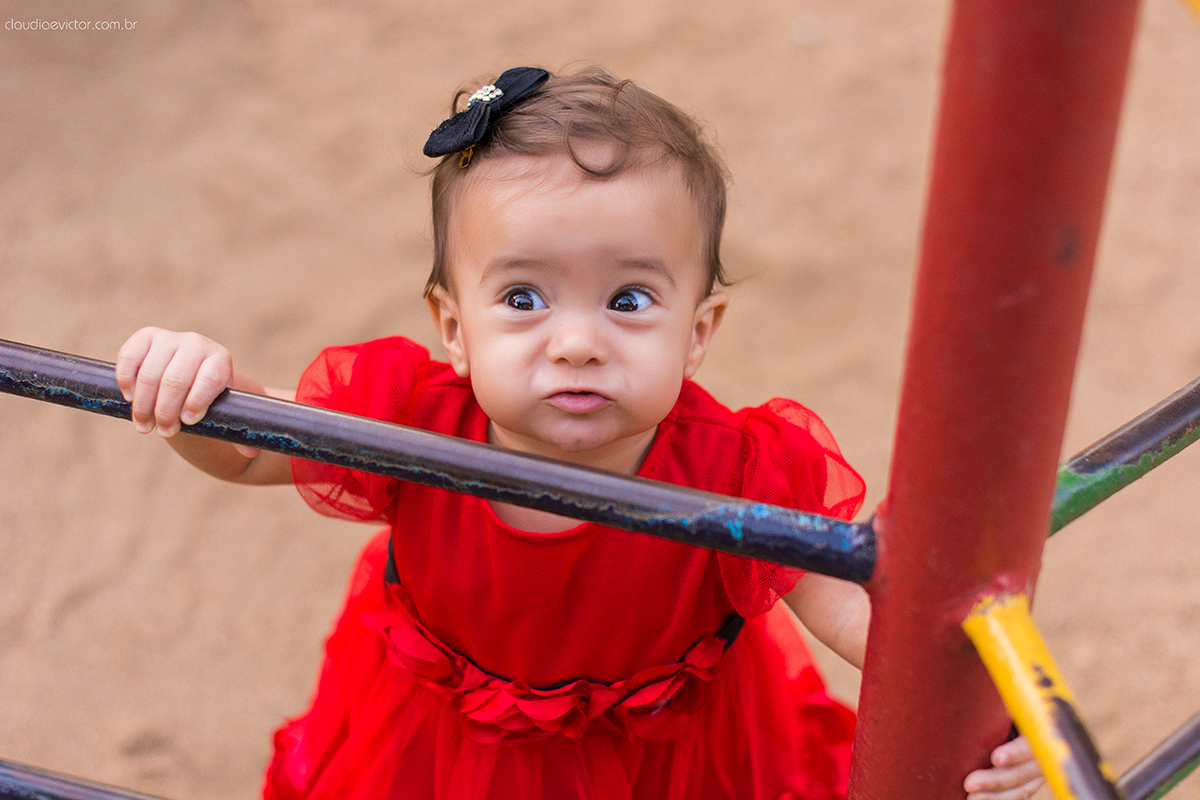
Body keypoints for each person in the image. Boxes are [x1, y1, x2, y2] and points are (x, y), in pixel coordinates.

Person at [114, 66, 1044, 800]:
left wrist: (997, 710)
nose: (576, 343)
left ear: (699, 332)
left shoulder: (737, 472)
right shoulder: (408, 423)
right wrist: (196, 384)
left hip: (673, 767)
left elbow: (871, 619)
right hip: (441, 756)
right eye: (522, 298)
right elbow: (242, 445)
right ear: (452, 326)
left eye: (629, 299)